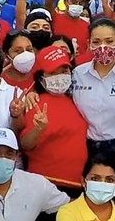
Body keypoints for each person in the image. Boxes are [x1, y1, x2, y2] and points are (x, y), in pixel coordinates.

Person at [20, 44, 89, 189]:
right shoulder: (36, 103)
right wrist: (38, 129)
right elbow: (26, 144)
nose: (60, 77)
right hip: (45, 186)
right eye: (52, 73)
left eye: (64, 71)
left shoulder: (76, 98)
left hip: (76, 184)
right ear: (41, 77)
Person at [71, 18, 115, 160]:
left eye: (109, 41)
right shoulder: (77, 74)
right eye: (96, 42)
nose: (103, 47)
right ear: (89, 44)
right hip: (85, 147)